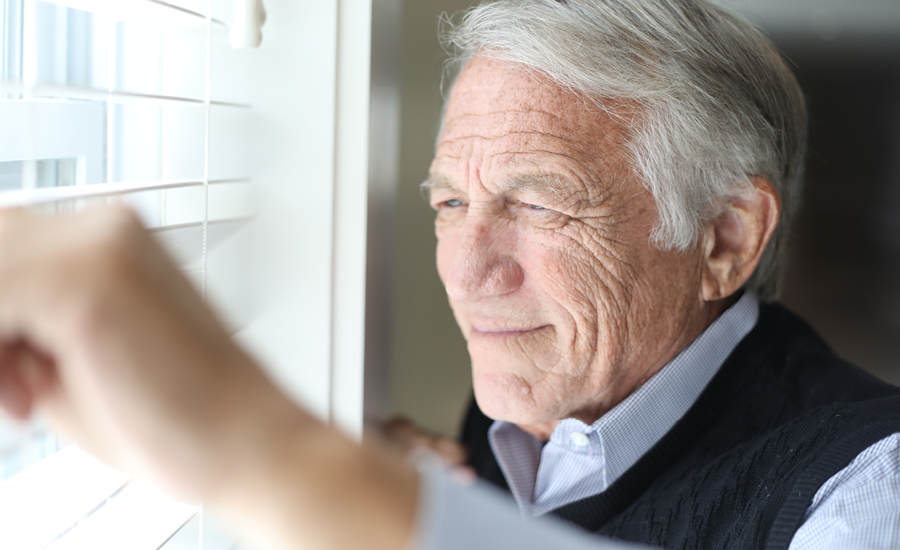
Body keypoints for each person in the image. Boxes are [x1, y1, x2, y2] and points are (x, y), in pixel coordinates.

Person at [0, 1, 898, 550]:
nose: (468, 273)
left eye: (540, 204)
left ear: (724, 240)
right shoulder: (524, 416)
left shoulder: (870, 489)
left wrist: (270, 455)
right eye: (448, 205)